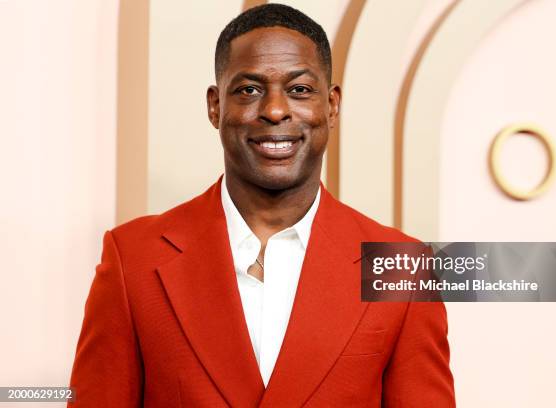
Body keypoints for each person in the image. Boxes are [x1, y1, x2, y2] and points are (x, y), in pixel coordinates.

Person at [68, 4, 454, 407]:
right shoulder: (133, 259)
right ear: (215, 106)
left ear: (332, 105)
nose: (274, 110)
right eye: (249, 90)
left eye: (299, 90)